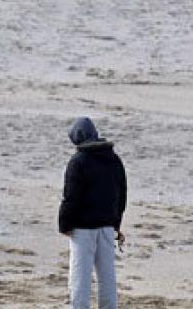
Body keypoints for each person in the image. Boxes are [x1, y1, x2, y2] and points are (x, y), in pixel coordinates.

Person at [58, 117, 127, 309]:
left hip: (82, 229)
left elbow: (71, 197)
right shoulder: (114, 159)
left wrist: (64, 224)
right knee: (107, 276)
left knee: (80, 276)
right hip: (107, 225)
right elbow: (121, 194)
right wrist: (116, 224)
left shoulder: (78, 162)